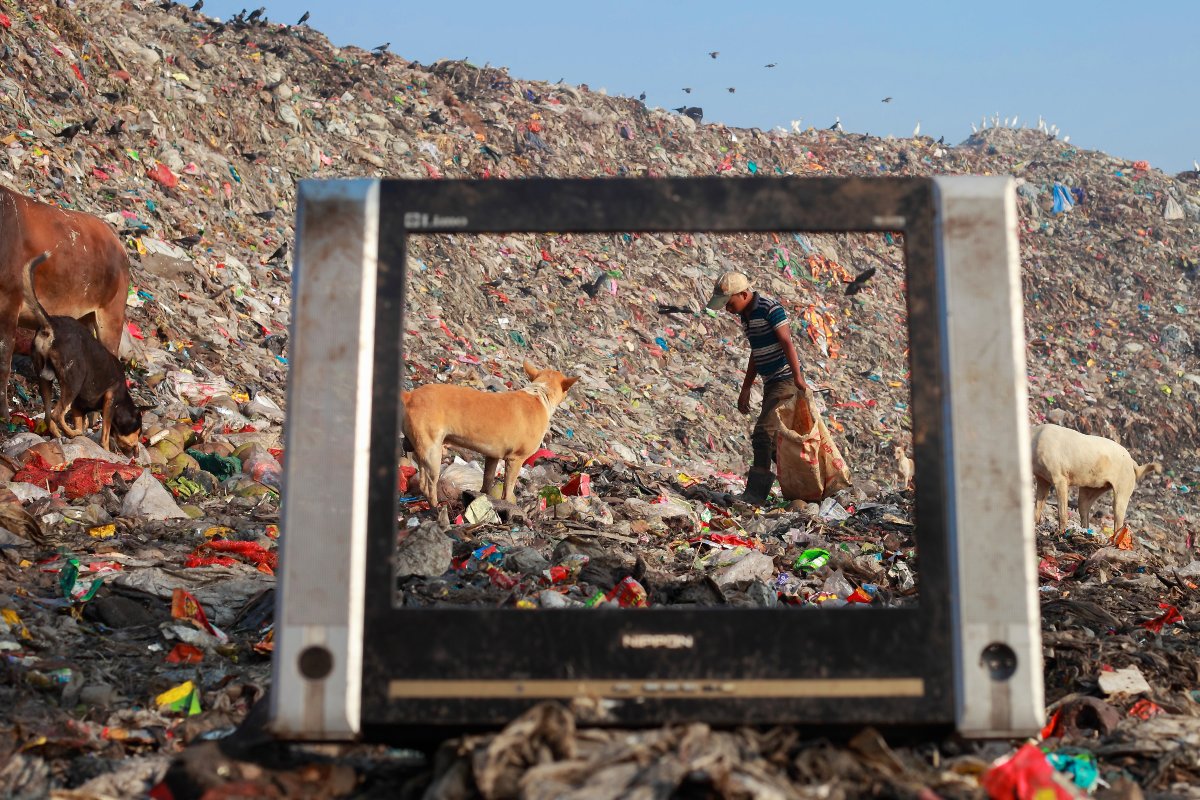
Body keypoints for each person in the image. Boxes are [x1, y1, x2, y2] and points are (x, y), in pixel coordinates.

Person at [705, 271, 810, 505]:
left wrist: (798, 377)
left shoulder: (769, 308)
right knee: (775, 443)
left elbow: (786, 341)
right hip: (771, 382)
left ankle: (755, 496)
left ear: (743, 294)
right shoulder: (747, 316)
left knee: (763, 433)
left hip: (785, 380)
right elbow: (756, 351)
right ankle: (803, 489)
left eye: (730, 304)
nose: (728, 310)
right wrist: (746, 388)